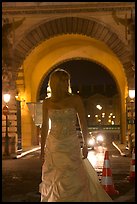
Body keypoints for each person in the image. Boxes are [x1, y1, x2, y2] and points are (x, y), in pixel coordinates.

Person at [39, 68, 113, 202]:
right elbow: (44, 126)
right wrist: (42, 149)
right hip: (54, 144)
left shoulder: (75, 99)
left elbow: (83, 123)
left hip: (70, 143)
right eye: (63, 81)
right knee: (55, 178)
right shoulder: (47, 102)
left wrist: (85, 144)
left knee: (74, 177)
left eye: (67, 81)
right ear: (55, 83)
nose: (67, 84)